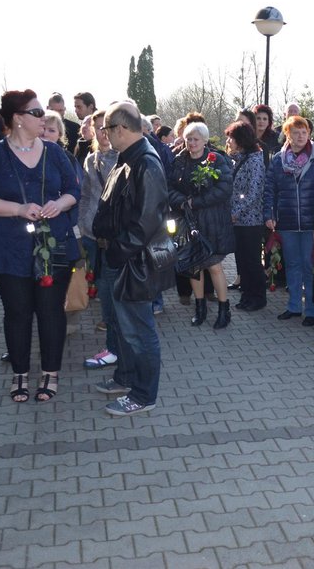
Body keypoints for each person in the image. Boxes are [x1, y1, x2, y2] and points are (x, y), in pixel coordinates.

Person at [0, 89, 80, 403]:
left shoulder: (54, 152)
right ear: (17, 118)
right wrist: (18, 209)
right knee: (17, 313)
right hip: (8, 249)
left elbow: (74, 189)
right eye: (35, 113)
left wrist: (59, 204)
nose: (42, 117)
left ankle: (51, 373)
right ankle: (20, 373)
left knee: (50, 313)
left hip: (54, 246)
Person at [91, 101, 172, 417]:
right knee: (124, 327)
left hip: (133, 262)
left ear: (121, 128)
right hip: (122, 257)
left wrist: (115, 252)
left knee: (139, 330)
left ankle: (143, 394)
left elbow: (144, 223)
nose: (104, 134)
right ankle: (126, 377)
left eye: (107, 128)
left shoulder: (145, 164)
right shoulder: (130, 159)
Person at [169, 122, 235, 329]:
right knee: (193, 266)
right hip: (188, 222)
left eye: (196, 139)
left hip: (212, 221)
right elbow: (169, 186)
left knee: (214, 265)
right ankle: (200, 309)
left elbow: (225, 188)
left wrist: (196, 202)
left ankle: (224, 309)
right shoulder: (179, 160)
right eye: (188, 139)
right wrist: (182, 201)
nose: (191, 143)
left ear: (205, 141)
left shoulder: (217, 160)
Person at [264, 115, 314, 327]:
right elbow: (269, 190)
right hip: (287, 221)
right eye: (295, 132)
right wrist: (269, 215)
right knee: (292, 265)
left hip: (311, 222)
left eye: (304, 132)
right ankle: (293, 307)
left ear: (309, 134)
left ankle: (311, 310)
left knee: (310, 266)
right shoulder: (277, 161)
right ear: (287, 135)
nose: (300, 136)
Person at [79, 109, 120, 368]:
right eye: (97, 128)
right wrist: (82, 225)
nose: (102, 133)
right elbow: (85, 195)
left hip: (116, 233)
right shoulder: (90, 159)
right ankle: (111, 326)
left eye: (106, 127)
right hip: (93, 231)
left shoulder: (124, 158)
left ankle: (117, 335)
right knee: (102, 281)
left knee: (110, 282)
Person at [226, 120, 266, 312]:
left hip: (251, 220)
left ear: (241, 139)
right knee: (241, 260)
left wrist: (236, 213)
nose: (228, 142)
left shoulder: (255, 159)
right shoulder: (238, 158)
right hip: (238, 220)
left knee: (252, 261)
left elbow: (254, 192)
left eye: (231, 138)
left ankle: (258, 297)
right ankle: (246, 295)